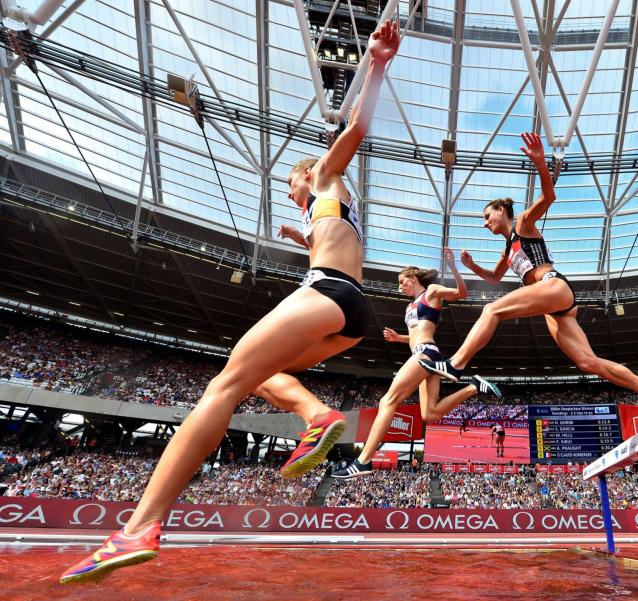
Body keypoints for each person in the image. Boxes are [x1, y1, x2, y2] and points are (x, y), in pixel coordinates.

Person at [58, 21, 402, 584]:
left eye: (290, 187)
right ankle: (316, 414)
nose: (290, 194)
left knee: (225, 384)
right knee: (263, 377)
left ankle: (139, 527)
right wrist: (301, 238)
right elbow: (328, 237)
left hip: (328, 294)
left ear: (305, 176)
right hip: (351, 309)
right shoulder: (330, 212)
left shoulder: (323, 176)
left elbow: (356, 129)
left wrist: (378, 63)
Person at [420, 132, 638, 425]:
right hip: (553, 307)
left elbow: (549, 196)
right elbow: (494, 278)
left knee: (492, 310)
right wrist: (470, 265)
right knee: (587, 362)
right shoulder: (508, 249)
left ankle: (456, 365)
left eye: (487, 215)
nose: (485, 222)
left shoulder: (524, 224)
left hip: (553, 286)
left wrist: (541, 163)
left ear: (502, 210)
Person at [332, 249, 500, 479]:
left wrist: (452, 267)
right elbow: (415, 334)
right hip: (425, 356)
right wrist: (398, 338)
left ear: (413, 278)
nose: (400, 286)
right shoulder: (410, 306)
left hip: (425, 354)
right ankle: (473, 387)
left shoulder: (430, 292)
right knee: (429, 414)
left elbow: (462, 293)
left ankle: (364, 460)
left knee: (387, 400)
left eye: (402, 281)